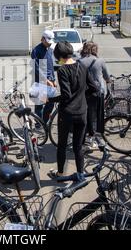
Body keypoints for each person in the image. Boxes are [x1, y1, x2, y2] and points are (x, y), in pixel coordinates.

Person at [47, 41, 99, 179]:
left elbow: (66, 95)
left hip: (67, 114)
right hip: (82, 113)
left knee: (62, 145)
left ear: (59, 55)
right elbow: (95, 88)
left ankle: (60, 173)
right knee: (78, 146)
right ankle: (80, 174)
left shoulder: (63, 70)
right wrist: (82, 96)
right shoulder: (82, 66)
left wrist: (49, 99)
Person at [79, 42, 111, 147]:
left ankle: (85, 138)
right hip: (98, 92)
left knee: (86, 116)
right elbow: (107, 77)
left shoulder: (80, 62)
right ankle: (93, 137)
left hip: (85, 93)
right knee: (97, 116)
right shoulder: (100, 61)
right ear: (95, 50)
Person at [31, 30, 56, 124]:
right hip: (40, 82)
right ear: (42, 39)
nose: (49, 44)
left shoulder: (49, 49)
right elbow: (37, 69)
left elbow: (50, 66)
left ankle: (44, 121)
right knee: (39, 104)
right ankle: (38, 124)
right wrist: (46, 80)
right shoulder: (36, 51)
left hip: (50, 81)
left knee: (51, 103)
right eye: (48, 42)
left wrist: (53, 79)